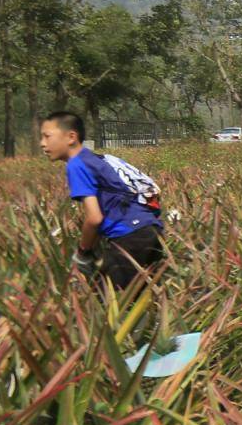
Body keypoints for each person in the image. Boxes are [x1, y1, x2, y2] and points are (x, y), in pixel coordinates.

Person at [39, 111, 167, 292]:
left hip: (130, 236)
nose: (42, 143)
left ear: (71, 137)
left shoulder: (76, 165)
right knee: (144, 298)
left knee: (109, 302)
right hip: (152, 230)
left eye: (47, 136)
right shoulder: (98, 160)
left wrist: (83, 252)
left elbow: (94, 218)